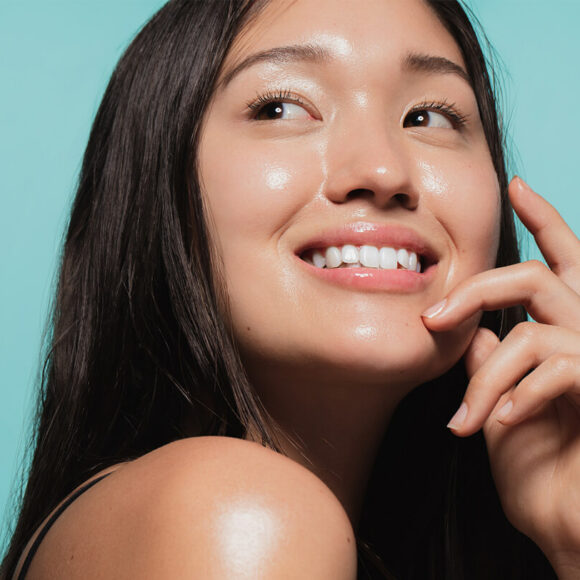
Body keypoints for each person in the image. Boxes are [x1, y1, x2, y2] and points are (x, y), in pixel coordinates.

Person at [3, 0, 580, 577]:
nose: (383, 172)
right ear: (157, 183)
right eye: (281, 107)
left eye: (428, 116)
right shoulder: (237, 517)